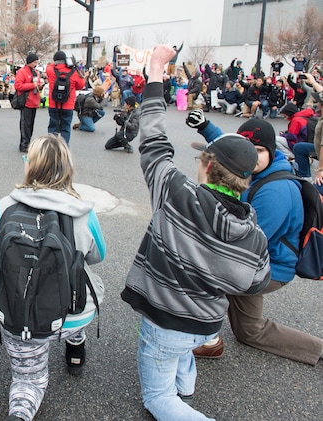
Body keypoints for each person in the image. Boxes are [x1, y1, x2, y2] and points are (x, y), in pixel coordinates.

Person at [121, 45, 270, 421]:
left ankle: (179, 399)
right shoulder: (253, 232)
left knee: (158, 399)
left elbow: (153, 138)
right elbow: (255, 283)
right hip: (206, 324)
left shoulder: (176, 194)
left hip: (166, 321)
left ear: (208, 165)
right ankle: (185, 386)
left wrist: (157, 68)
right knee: (182, 354)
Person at [0, 134, 105, 421]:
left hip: (19, 315)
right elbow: (97, 256)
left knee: (28, 381)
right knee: (87, 282)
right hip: (71, 314)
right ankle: (75, 347)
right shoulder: (82, 212)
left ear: (31, 165)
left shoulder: (4, 207)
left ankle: (20, 412)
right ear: (67, 169)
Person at [188, 115, 323, 365]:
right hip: (258, 257)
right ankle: (319, 349)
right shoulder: (260, 169)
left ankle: (205, 340)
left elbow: (243, 247)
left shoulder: (276, 192)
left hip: (270, 267)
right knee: (249, 331)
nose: (252, 155)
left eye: (259, 151)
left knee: (197, 269)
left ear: (271, 151)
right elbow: (233, 146)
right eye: (249, 149)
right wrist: (206, 128)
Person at [46, 51, 85, 144]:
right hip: (68, 105)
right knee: (65, 128)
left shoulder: (50, 70)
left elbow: (49, 66)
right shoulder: (74, 72)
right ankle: (64, 148)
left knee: (53, 127)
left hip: (54, 104)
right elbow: (81, 85)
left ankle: (52, 148)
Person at [15, 54, 44, 153]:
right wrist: (32, 85)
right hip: (26, 101)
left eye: (37, 62)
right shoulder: (22, 72)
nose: (36, 64)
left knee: (31, 124)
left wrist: (39, 86)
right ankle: (24, 144)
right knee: (25, 124)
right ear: (30, 62)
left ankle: (28, 142)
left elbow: (36, 85)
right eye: (35, 62)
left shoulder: (36, 72)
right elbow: (18, 86)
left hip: (34, 101)